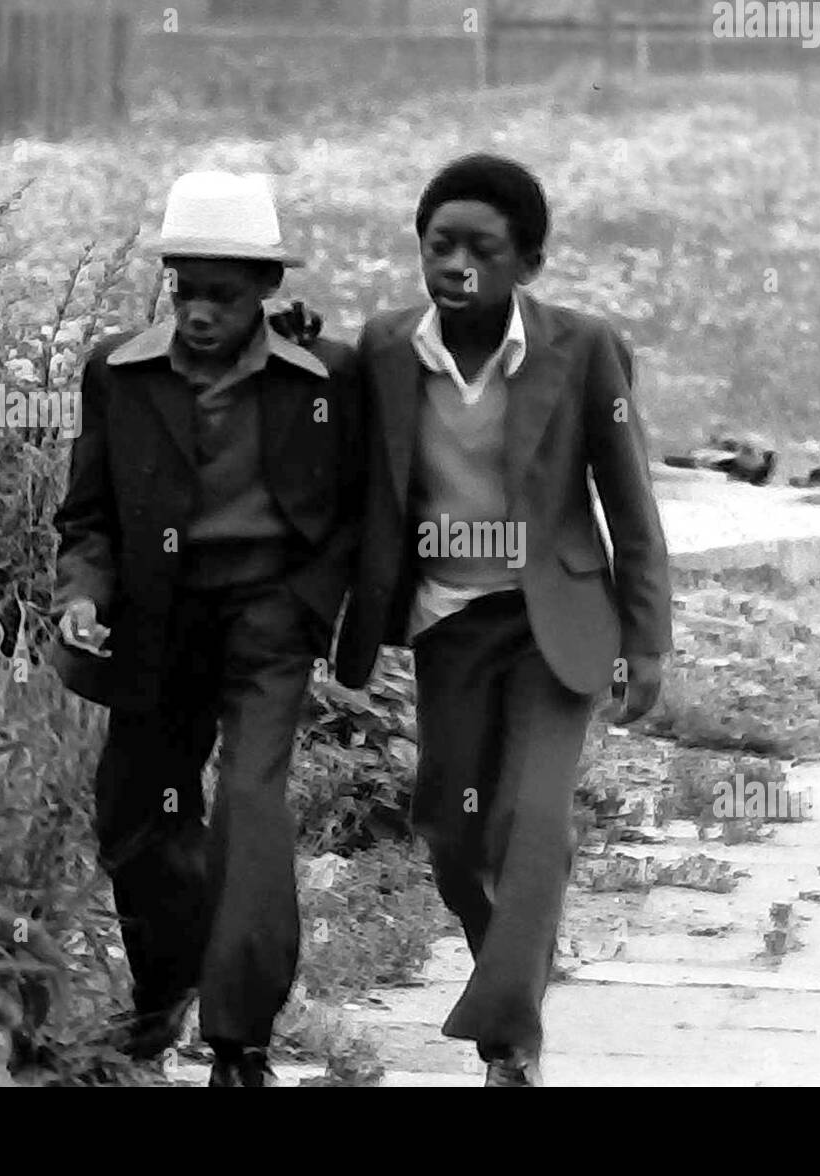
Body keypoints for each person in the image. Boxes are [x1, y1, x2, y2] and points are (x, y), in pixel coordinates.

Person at [335, 153, 672, 1086]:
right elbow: (338, 437)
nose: (457, 264)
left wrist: (646, 641)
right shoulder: (387, 348)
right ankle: (509, 973)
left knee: (533, 819)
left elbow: (630, 503)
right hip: (448, 625)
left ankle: (506, 1038)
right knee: (450, 833)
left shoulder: (583, 346)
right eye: (439, 244)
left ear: (527, 262)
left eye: (482, 247)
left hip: (553, 624)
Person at [51, 171, 360, 1087]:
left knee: (251, 810)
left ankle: (239, 1041)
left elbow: (358, 498)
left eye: (222, 296)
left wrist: (319, 604)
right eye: (184, 291)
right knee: (136, 816)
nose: (197, 313)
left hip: (267, 617)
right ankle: (167, 985)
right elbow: (90, 515)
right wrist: (82, 597)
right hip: (156, 616)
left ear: (267, 292)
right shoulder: (118, 370)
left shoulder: (324, 377)